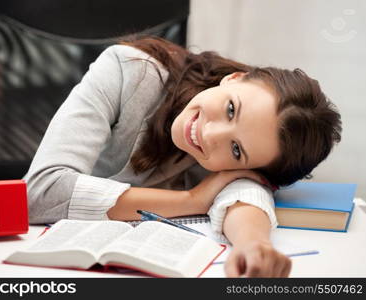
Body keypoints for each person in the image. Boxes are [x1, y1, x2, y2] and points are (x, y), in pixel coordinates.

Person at [23, 36, 342, 277]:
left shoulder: (232, 163)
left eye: (236, 149)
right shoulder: (128, 70)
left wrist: (252, 244)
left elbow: (244, 193)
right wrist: (192, 199)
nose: (209, 135)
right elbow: (37, 194)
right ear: (234, 79)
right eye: (231, 109)